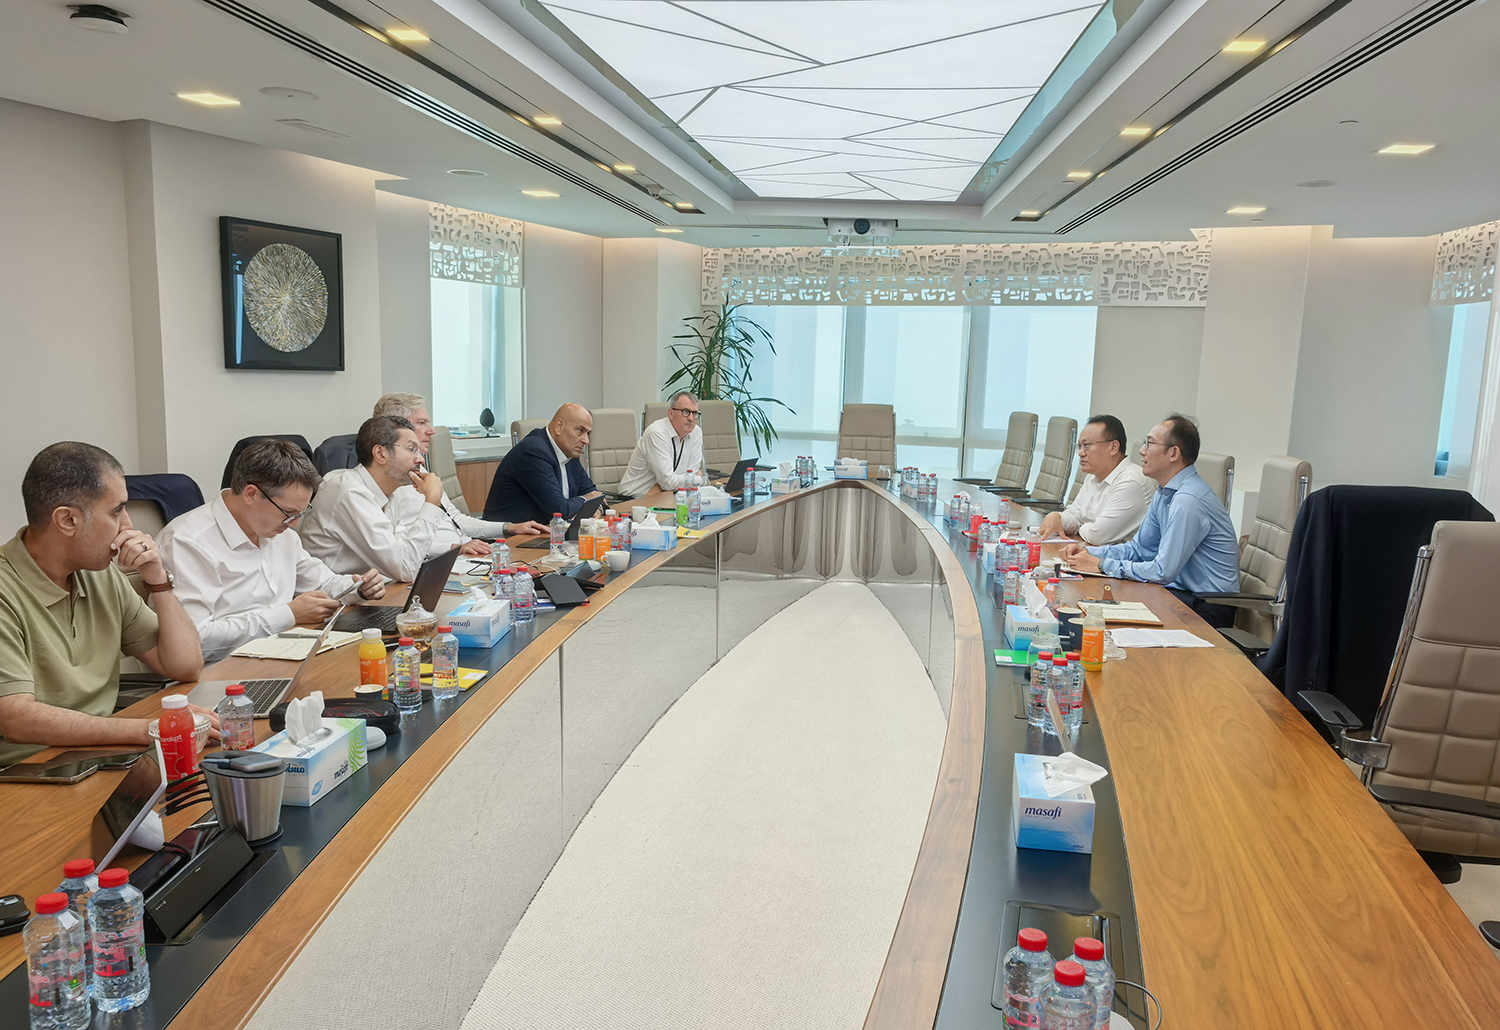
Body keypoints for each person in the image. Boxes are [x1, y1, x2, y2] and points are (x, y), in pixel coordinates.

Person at [0, 443, 207, 766]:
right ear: (67, 520)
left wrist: (158, 581)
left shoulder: (99, 574)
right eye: (116, 511)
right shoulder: (5, 589)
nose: (128, 526)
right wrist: (148, 729)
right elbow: (16, 719)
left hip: (99, 753)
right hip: (29, 771)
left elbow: (185, 666)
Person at [157, 441, 386, 664]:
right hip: (219, 670)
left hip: (283, 655)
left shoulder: (279, 533)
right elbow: (197, 639)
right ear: (251, 494)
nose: (294, 524)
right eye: (288, 513)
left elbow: (322, 583)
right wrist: (289, 614)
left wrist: (358, 588)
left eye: (301, 513)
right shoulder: (187, 542)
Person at [1061, 414, 1241, 628]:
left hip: (1205, 606)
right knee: (1091, 606)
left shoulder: (1188, 500)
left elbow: (1162, 572)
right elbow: (1139, 550)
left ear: (1173, 453)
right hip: (1176, 593)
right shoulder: (1164, 493)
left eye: (1149, 443)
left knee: (1101, 618)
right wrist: (1089, 553)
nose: (1141, 451)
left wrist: (1101, 565)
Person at [298, 415, 466, 582]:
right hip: (334, 595)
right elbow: (405, 568)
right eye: (411, 449)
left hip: (371, 589)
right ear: (380, 453)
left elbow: (400, 548)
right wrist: (432, 501)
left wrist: (451, 548)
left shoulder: (389, 492)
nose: (420, 459)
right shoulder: (349, 492)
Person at [372, 393, 541, 551]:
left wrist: (508, 528)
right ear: (394, 428)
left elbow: (456, 519)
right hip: (441, 561)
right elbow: (399, 547)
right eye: (421, 423)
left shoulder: (418, 468)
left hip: (463, 554)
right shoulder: (390, 480)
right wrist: (455, 548)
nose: (431, 430)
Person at [1038, 415, 1151, 545]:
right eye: (1079, 446)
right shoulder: (1093, 476)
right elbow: (1075, 516)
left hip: (1118, 557)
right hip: (1091, 551)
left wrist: (1081, 526)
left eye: (1086, 445)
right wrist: (1057, 517)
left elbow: (1098, 536)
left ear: (1113, 447)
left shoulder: (1131, 482)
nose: (1081, 453)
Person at [484, 403, 604, 524]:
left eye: (588, 433)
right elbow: (559, 511)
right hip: (510, 534)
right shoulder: (533, 452)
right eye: (580, 431)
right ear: (559, 426)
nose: (586, 441)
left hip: (546, 530)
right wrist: (587, 500)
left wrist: (597, 509)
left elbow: (595, 495)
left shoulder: (570, 452)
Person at [619, 391, 705, 497]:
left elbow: (691, 473)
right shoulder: (656, 433)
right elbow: (669, 482)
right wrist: (698, 478)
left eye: (695, 413)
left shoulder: (696, 432)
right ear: (671, 414)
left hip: (669, 494)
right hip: (635, 498)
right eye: (686, 412)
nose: (691, 418)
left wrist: (663, 486)